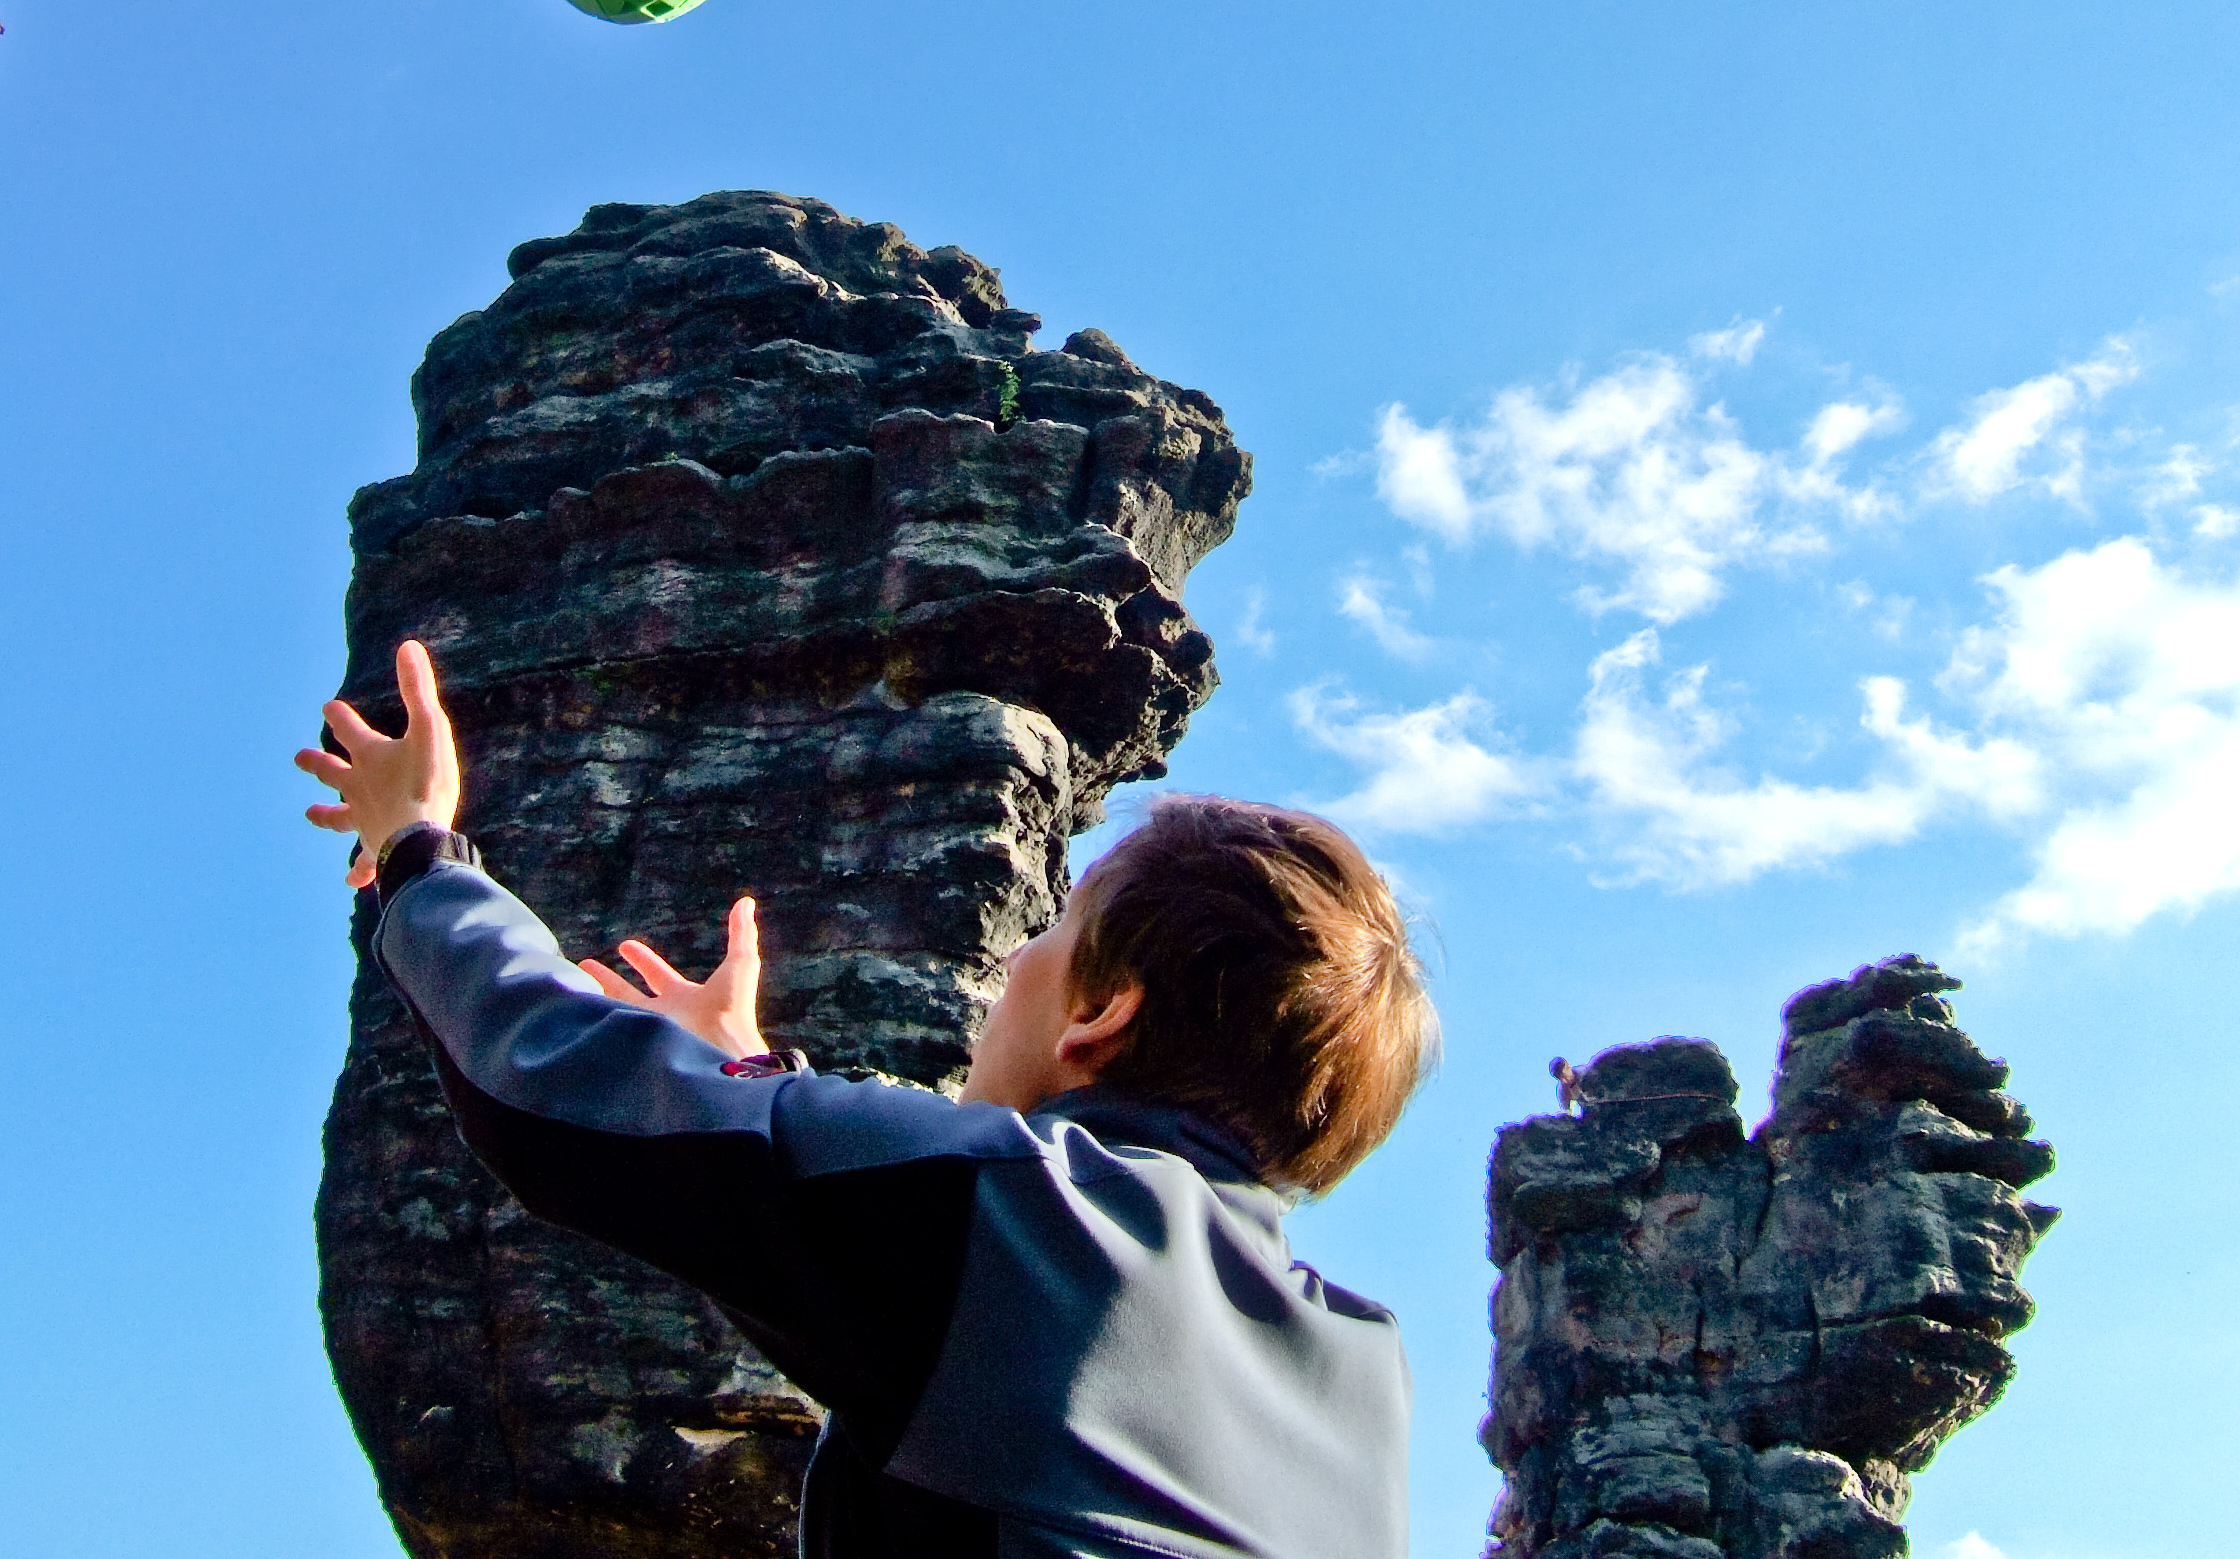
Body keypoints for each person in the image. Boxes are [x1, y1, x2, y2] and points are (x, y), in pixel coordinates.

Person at [298, 639, 1434, 1559]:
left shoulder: (1018, 1216)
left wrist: (417, 846)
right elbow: (953, 1327)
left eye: (1055, 927)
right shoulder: (1359, 1373)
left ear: (1101, 1015)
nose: (1017, 959)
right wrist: (752, 1079)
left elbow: (545, 1073)